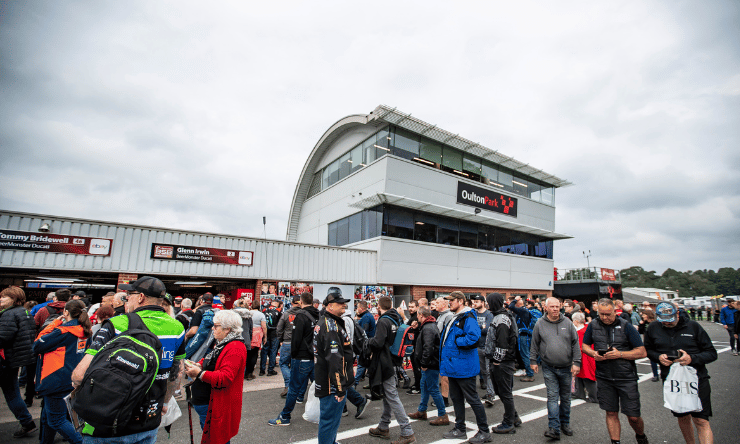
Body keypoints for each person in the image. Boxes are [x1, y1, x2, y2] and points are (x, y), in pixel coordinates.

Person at [71, 276, 186, 444]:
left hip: (108, 421)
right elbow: (176, 374)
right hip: (149, 421)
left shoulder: (117, 324)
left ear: (140, 297)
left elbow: (79, 375)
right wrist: (165, 403)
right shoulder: (177, 328)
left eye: (128, 295)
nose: (126, 300)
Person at [644, 302, 717, 444]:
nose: (667, 323)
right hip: (672, 381)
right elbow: (648, 350)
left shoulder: (693, 326)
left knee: (701, 420)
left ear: (677, 313)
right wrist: (658, 357)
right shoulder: (653, 327)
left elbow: (712, 353)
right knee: (682, 417)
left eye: (670, 319)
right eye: (663, 320)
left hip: (697, 379)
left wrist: (692, 358)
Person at [581, 298, 649, 444]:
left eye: (608, 314)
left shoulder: (626, 326)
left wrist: (621, 354)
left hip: (626, 377)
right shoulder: (593, 324)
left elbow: (642, 352)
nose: (605, 317)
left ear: (614, 311)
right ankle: (615, 441)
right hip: (604, 377)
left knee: (633, 416)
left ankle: (641, 435)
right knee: (611, 412)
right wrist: (594, 354)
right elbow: (585, 346)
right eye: (601, 314)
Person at [184, 310, 247, 444]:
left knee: (216, 440)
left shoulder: (235, 347)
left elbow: (225, 378)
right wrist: (198, 365)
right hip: (208, 402)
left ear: (227, 329)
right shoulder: (224, 343)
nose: (213, 328)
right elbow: (211, 362)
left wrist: (199, 373)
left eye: (216, 325)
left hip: (215, 403)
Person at [33, 299, 91, 444]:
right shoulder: (85, 331)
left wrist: (54, 323)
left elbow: (37, 345)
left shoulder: (62, 331)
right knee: (48, 417)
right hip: (71, 378)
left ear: (66, 312)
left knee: (57, 420)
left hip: (55, 379)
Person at [439, 291, 490, 444]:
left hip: (463, 366)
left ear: (460, 301)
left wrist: (457, 341)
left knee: (473, 399)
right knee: (456, 399)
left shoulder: (468, 317)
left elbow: (474, 338)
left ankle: (484, 431)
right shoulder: (457, 317)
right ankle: (460, 428)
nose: (450, 303)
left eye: (452, 300)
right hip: (454, 366)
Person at [530, 297, 581, 440]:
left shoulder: (568, 323)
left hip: (566, 367)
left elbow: (575, 344)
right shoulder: (540, 324)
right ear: (546, 308)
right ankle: (554, 428)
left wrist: (577, 362)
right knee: (552, 397)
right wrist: (533, 361)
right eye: (552, 306)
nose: (555, 309)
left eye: (557, 306)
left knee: (565, 398)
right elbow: (534, 344)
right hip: (549, 367)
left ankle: (565, 423)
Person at [366, 296, 416, 444]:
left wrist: (367, 341)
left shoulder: (383, 321)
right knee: (388, 395)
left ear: (378, 307)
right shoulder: (397, 318)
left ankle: (407, 432)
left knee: (392, 396)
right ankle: (383, 426)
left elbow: (378, 342)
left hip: (385, 362)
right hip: (395, 360)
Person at [268, 292, 320, 426]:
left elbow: (296, 339)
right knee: (320, 385)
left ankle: (285, 416)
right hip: (314, 356)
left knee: (293, 388)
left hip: (301, 356)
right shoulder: (319, 315)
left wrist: (294, 354)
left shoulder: (301, 316)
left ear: (301, 302)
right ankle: (329, 411)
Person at [314, 289, 354, 444]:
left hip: (327, 379)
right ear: (330, 306)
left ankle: (331, 441)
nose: (344, 306)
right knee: (329, 421)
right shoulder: (330, 326)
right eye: (340, 304)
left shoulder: (329, 321)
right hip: (331, 384)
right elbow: (335, 359)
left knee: (331, 422)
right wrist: (339, 387)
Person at [0, 286, 37, 438]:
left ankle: (27, 423)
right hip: (13, 361)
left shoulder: (9, 314)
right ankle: (27, 423)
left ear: (14, 299)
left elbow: (3, 337)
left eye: (4, 297)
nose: (1, 299)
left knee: (12, 394)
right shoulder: (25, 312)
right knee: (13, 393)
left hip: (4, 360)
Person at [485, 293, 522, 434]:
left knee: (504, 392)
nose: (487, 305)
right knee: (502, 391)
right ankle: (514, 417)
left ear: (493, 303)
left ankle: (508, 423)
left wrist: (496, 361)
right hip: (504, 360)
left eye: (489, 302)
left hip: (503, 361)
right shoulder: (502, 316)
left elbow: (502, 342)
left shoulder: (501, 319)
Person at [406, 306, 448, 425]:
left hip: (430, 364)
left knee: (433, 388)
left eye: (418, 316)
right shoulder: (428, 326)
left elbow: (428, 347)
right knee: (424, 386)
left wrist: (424, 363)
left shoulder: (428, 328)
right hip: (430, 363)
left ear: (420, 315)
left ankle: (442, 415)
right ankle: (422, 411)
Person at [276, 294, 302, 396]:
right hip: (299, 344)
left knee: (283, 364)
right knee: (295, 366)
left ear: (292, 303)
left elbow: (279, 328)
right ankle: (295, 388)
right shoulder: (304, 314)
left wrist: (280, 339)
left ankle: (289, 384)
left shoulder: (286, 314)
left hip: (287, 342)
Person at [471, 294, 494, 404]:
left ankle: (490, 394)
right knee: (482, 371)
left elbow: (488, 329)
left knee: (489, 371)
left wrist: (477, 328)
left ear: (483, 302)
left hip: (487, 346)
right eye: (474, 301)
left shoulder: (489, 314)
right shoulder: (473, 313)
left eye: (477, 301)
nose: (474, 303)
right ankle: (490, 391)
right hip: (477, 346)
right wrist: (481, 327)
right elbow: (471, 328)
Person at [508, 295, 536, 382]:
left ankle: (530, 374)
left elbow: (510, 306)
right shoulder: (524, 310)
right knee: (525, 354)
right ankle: (529, 372)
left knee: (525, 355)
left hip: (524, 336)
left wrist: (515, 300)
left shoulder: (522, 310)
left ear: (517, 304)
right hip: (525, 335)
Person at [571, 312, 597, 403]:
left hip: (584, 356)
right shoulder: (587, 328)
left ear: (576, 321)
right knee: (581, 375)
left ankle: (594, 396)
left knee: (587, 376)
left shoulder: (580, 333)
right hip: (587, 355)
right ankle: (579, 393)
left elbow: (578, 346)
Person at [354, 300, 375, 387]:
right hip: (369, 342)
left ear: (361, 308)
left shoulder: (366, 317)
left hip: (366, 344)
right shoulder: (368, 315)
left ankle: (354, 383)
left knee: (361, 363)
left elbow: (363, 331)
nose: (357, 309)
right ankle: (372, 383)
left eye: (358, 307)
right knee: (369, 365)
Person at [245, 299, 267, 379]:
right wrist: (265, 337)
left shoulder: (248, 313)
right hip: (257, 335)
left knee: (247, 354)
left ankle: (246, 372)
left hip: (248, 334)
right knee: (254, 354)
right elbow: (264, 327)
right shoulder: (261, 314)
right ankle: (250, 373)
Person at [638, 309, 660, 382]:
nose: (642, 316)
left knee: (660, 358)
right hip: (649, 343)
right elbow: (640, 331)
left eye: (644, 315)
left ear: (647, 315)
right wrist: (641, 324)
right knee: (652, 359)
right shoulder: (644, 323)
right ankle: (655, 375)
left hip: (657, 342)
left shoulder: (655, 323)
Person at [260, 300, 281, 376]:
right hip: (274, 332)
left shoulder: (264, 310)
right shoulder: (278, 311)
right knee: (273, 350)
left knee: (264, 350)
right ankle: (270, 370)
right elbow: (280, 323)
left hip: (266, 332)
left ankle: (262, 370)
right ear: (276, 304)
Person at [405, 300, 421, 394]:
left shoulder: (416, 318)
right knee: (415, 368)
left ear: (417, 307)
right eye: (409, 306)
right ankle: (417, 384)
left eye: (412, 307)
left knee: (417, 367)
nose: (410, 308)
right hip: (413, 346)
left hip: (416, 347)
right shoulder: (413, 317)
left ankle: (418, 387)